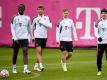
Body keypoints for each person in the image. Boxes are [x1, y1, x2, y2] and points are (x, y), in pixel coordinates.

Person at [11, 4, 32, 74]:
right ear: (18, 9)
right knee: (15, 53)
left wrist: (31, 37)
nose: (20, 9)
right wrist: (15, 37)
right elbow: (12, 29)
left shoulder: (28, 18)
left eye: (22, 8)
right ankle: (14, 67)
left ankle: (25, 69)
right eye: (19, 8)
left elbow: (29, 29)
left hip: (25, 38)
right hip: (16, 38)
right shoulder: (14, 17)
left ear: (24, 9)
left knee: (25, 51)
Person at [31, 5, 52, 71]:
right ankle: (41, 65)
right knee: (39, 51)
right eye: (39, 9)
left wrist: (42, 22)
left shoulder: (47, 17)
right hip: (37, 37)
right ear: (37, 10)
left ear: (43, 10)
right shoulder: (35, 18)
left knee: (40, 52)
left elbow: (50, 26)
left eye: (41, 9)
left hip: (44, 37)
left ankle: (36, 65)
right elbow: (31, 28)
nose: (40, 10)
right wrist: (32, 37)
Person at [94, 8, 107, 76]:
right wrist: (98, 37)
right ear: (101, 14)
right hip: (100, 43)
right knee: (99, 57)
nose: (104, 14)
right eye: (102, 13)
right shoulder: (98, 22)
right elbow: (95, 32)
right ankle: (99, 70)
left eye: (105, 13)